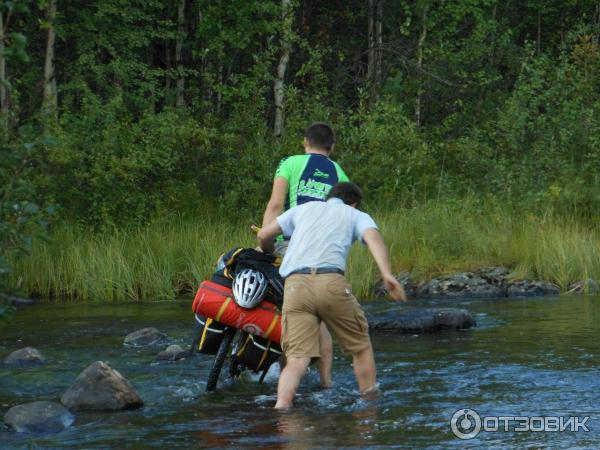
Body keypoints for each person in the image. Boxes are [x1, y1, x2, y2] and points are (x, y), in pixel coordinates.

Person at [257, 182, 407, 409]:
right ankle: (369, 404)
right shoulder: (355, 214)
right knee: (360, 348)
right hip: (331, 284)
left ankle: (282, 406)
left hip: (295, 286)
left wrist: (268, 250)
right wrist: (386, 274)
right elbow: (373, 238)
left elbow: (264, 234)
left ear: (329, 196)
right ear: (353, 202)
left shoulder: (303, 209)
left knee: (297, 358)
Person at [261, 122, 349, 388]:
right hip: (322, 254)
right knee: (316, 315)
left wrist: (266, 241)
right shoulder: (339, 173)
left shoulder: (290, 163)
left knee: (288, 309)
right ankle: (326, 384)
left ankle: (280, 375)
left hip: (288, 246)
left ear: (305, 142)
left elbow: (276, 204)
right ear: (331, 147)